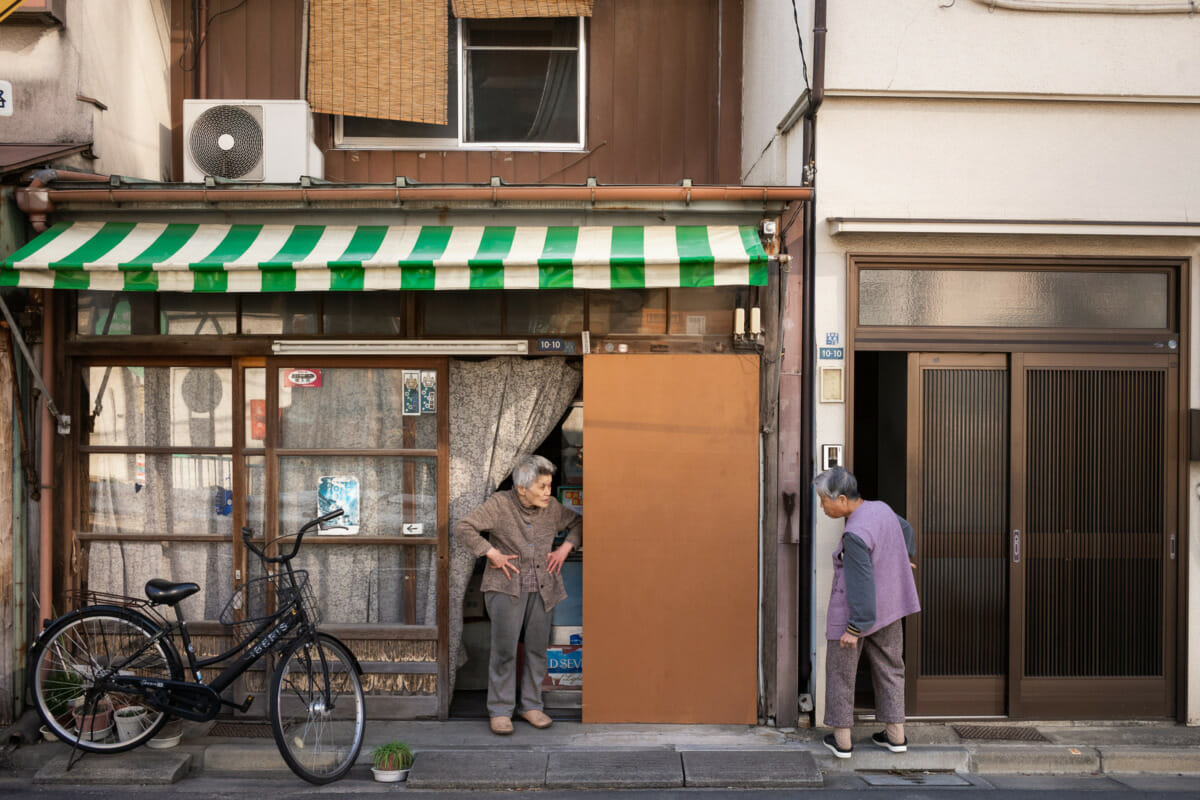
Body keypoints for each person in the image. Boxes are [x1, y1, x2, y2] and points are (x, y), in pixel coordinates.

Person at [454, 454, 582, 735]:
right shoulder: (500, 504)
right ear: (522, 488)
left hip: (544, 588)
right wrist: (491, 553)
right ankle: (500, 710)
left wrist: (564, 549)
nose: (548, 492)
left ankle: (532, 706)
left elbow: (577, 523)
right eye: (542, 486)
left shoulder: (553, 508)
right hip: (505, 588)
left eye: (550, 485)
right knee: (504, 651)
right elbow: (463, 527)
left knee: (537, 650)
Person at [813, 466, 919, 759]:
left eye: (824, 500)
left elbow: (859, 584)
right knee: (890, 669)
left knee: (841, 674)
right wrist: (900, 559)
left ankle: (843, 742)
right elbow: (906, 529)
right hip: (889, 608)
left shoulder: (855, 534)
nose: (822, 506)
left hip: (855, 614)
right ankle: (896, 737)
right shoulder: (881, 510)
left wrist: (854, 629)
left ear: (843, 499)